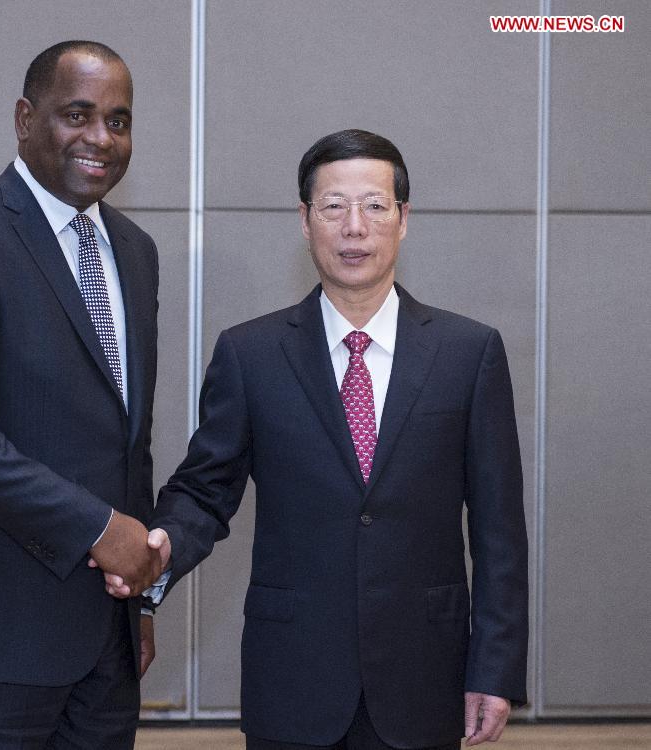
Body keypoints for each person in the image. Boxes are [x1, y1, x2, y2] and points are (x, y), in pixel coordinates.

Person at [110, 129, 528, 748]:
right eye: (333, 207)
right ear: (306, 221)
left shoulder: (469, 354)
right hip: (293, 676)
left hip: (425, 675)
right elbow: (205, 490)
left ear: (403, 218)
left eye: (374, 205)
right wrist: (157, 552)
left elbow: (499, 529)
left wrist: (494, 669)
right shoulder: (250, 354)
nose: (354, 227)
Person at [0, 40, 164, 749]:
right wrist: (101, 531)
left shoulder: (135, 252)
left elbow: (127, 439)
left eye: (118, 120)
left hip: (105, 638)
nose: (101, 138)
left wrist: (141, 599)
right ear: (24, 117)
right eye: (78, 114)